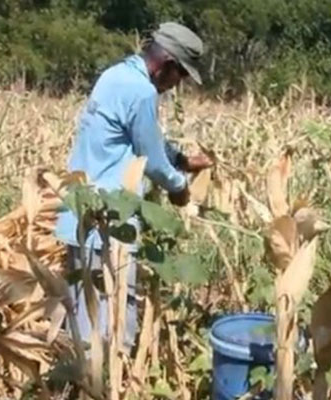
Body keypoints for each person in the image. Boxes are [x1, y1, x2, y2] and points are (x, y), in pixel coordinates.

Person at [54, 22, 213, 352]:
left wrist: (181, 158)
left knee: (82, 315)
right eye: (181, 75)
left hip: (80, 213)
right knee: (111, 325)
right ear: (168, 64)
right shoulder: (141, 92)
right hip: (109, 222)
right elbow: (152, 161)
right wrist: (180, 187)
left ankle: (78, 383)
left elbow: (137, 138)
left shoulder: (115, 76)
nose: (177, 85)